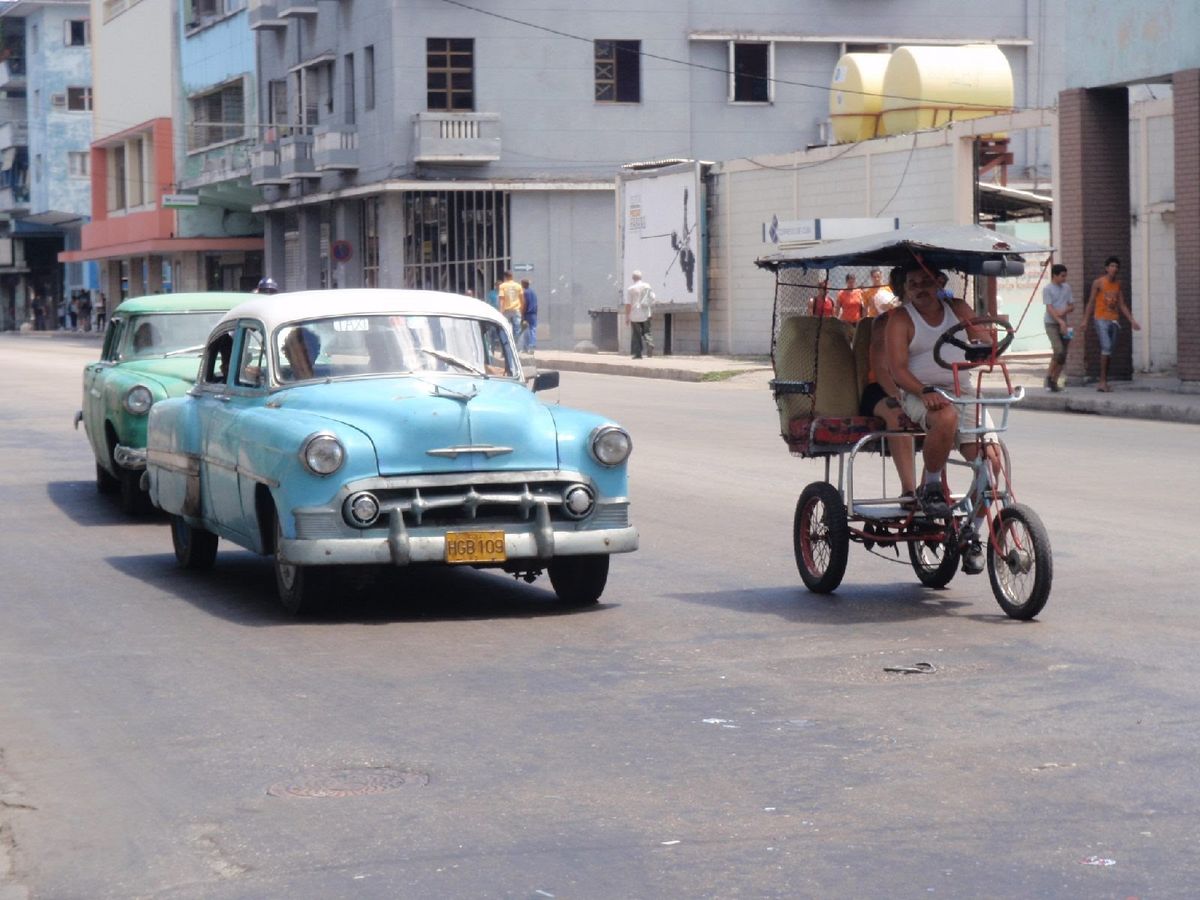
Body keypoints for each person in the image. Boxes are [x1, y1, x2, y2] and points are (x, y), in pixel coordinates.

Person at [886, 261, 998, 574]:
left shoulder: (958, 308)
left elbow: (979, 343)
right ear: (905, 289)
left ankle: (971, 533)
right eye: (913, 283)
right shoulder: (901, 319)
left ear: (939, 282)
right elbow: (897, 371)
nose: (920, 288)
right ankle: (931, 487)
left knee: (992, 465)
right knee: (945, 416)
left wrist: (989, 341)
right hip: (919, 393)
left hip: (962, 390)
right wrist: (924, 391)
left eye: (926, 281)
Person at [860, 295, 917, 507]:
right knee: (899, 416)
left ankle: (932, 488)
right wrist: (897, 394)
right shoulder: (887, 321)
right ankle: (909, 491)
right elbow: (881, 366)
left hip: (921, 388)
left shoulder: (939, 317)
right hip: (883, 389)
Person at [1082, 256, 1140, 392]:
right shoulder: (1099, 283)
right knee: (1106, 347)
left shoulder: (1117, 284)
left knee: (1109, 351)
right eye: (1112, 266)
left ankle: (1104, 381)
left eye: (1116, 267)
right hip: (1100, 318)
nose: (1114, 269)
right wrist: (1085, 319)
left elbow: (1122, 304)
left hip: (1114, 320)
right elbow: (1091, 302)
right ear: (1106, 268)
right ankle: (1102, 382)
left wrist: (1132, 321)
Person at [1042, 263, 1074, 392]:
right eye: (1062, 276)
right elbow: (1049, 308)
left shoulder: (1067, 287)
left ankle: (1054, 381)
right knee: (1058, 350)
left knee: (1064, 354)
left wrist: (1065, 311)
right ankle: (1049, 376)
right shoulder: (1047, 289)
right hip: (1051, 323)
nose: (1064, 278)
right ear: (1054, 275)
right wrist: (1060, 321)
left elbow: (1072, 305)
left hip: (1065, 323)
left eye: (1065, 276)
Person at [624, 269, 656, 359]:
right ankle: (649, 343)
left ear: (633, 278)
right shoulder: (647, 286)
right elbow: (653, 298)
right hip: (646, 313)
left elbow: (628, 304)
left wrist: (627, 317)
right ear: (641, 277)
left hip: (635, 315)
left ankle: (638, 354)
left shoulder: (631, 289)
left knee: (636, 334)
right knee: (647, 331)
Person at [497, 270, 524, 338]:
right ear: (512, 276)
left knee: (505, 328)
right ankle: (517, 346)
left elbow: (501, 299)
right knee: (517, 329)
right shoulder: (518, 286)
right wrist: (522, 310)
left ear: (505, 277)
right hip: (516, 310)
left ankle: (507, 345)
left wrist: (500, 311)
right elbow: (522, 299)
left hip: (506, 311)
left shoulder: (502, 286)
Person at [519, 278, 538, 351]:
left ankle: (527, 347)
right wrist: (536, 313)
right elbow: (536, 304)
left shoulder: (525, 292)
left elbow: (525, 304)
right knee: (532, 329)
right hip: (533, 313)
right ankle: (531, 346)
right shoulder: (533, 292)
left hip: (527, 314)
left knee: (525, 330)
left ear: (523, 284)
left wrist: (522, 314)